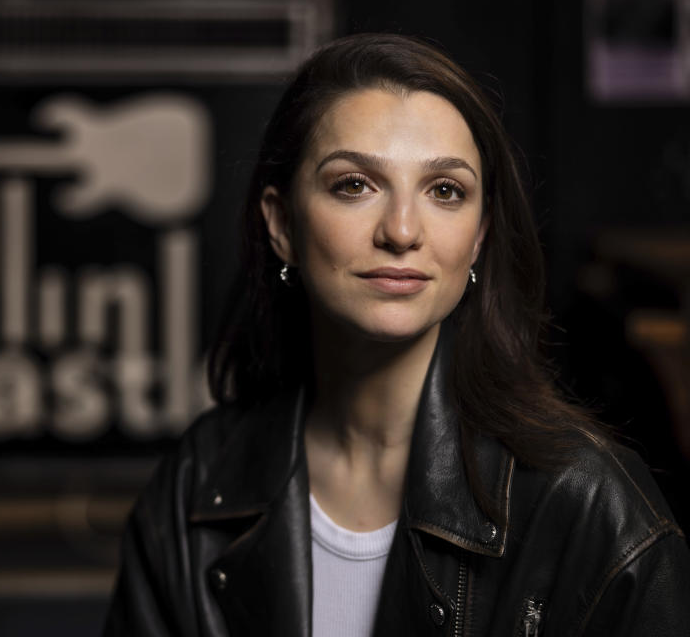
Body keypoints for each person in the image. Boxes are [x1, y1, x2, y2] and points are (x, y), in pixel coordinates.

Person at [103, 33, 690, 636]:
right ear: (281, 225)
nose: (403, 231)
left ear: (479, 237)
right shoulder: (196, 487)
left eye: (445, 191)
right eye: (354, 184)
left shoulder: (590, 505)